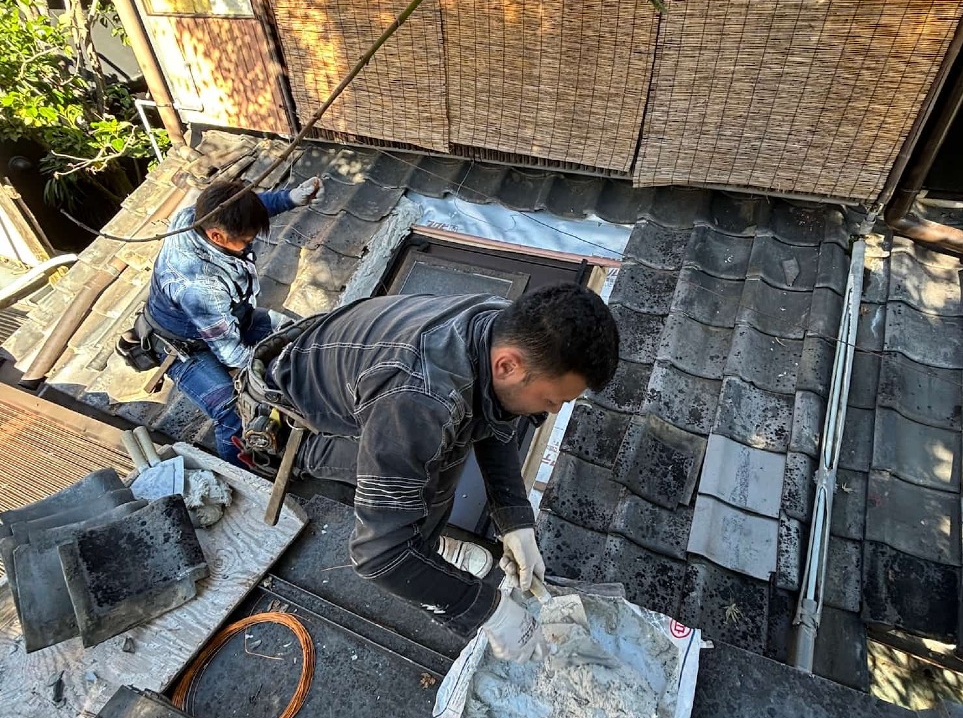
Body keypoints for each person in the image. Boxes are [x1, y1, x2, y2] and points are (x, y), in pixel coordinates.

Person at [257, 283, 619, 660]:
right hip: (292, 420)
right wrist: (487, 611)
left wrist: (514, 519)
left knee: (449, 432)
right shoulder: (419, 399)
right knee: (431, 467)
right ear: (508, 365)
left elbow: (498, 413)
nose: (554, 411)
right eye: (551, 399)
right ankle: (424, 553)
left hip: (346, 370)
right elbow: (377, 555)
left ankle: (428, 549)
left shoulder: (502, 324)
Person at [137, 174, 322, 464]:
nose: (250, 245)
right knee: (233, 413)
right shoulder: (200, 285)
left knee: (296, 335)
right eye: (246, 241)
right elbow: (233, 354)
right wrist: (274, 376)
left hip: (229, 319)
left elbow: (243, 210)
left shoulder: (200, 215)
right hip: (185, 347)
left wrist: (289, 198)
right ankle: (240, 475)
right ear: (216, 237)